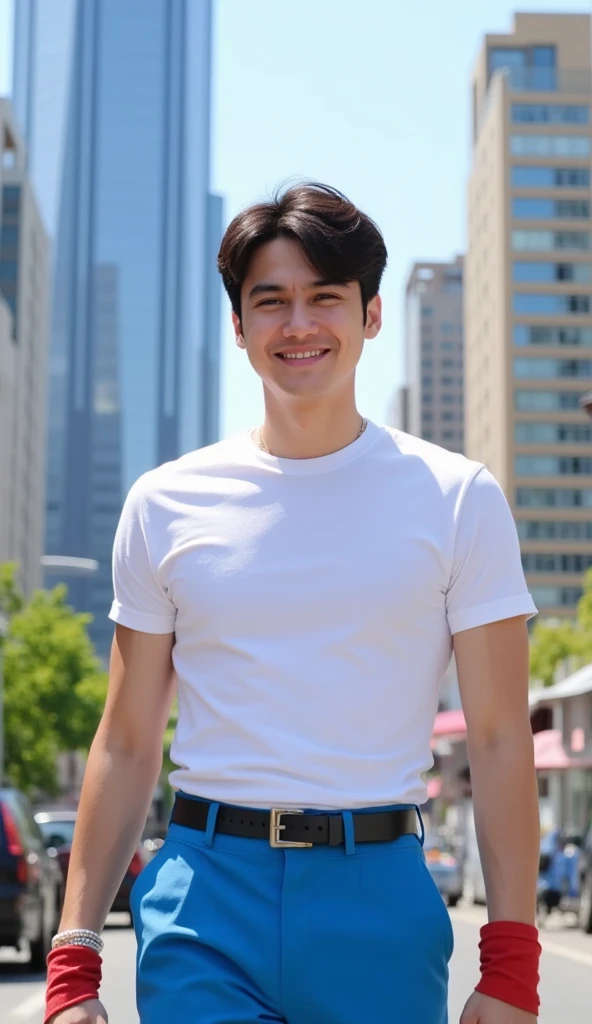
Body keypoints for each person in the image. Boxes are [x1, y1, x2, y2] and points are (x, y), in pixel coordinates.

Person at [45, 183, 541, 1024]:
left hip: (377, 898)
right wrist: (73, 961)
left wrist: (514, 965)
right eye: (270, 302)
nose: (298, 324)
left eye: (326, 298)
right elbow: (127, 742)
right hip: (206, 899)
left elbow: (497, 739)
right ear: (238, 327)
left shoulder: (459, 499)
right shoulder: (166, 502)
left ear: (371, 315)